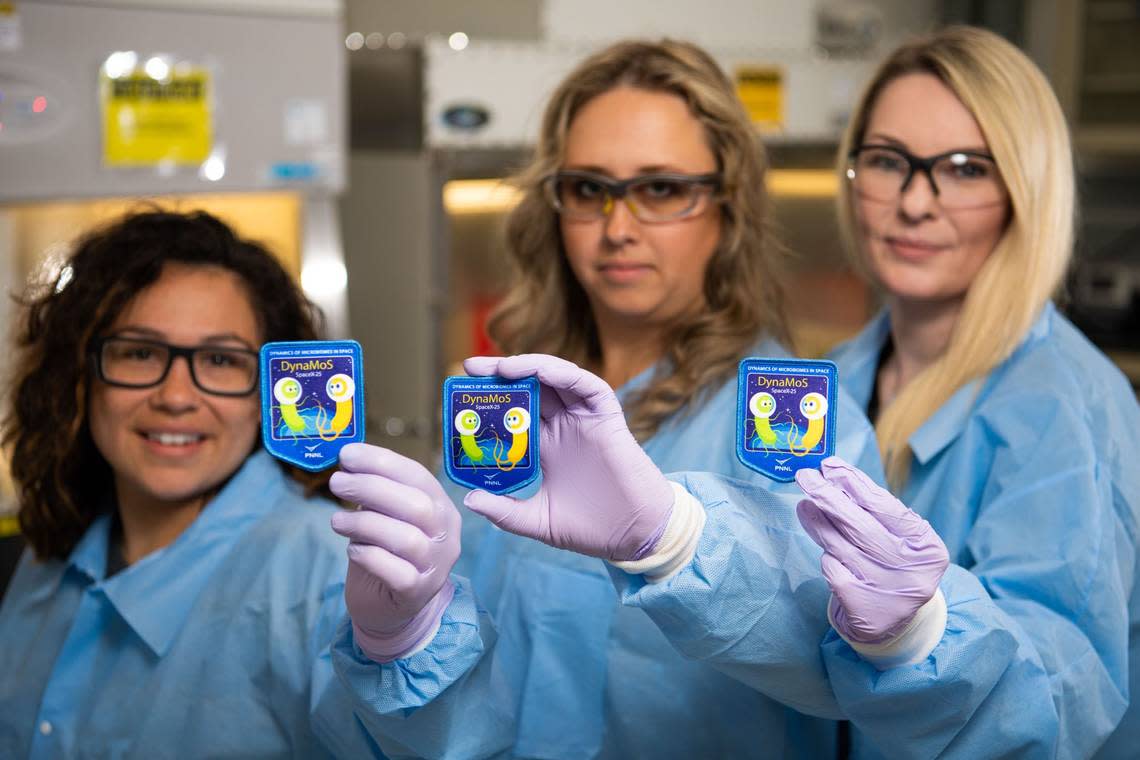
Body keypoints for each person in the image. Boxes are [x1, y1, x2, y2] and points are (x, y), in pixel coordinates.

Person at [326, 39, 883, 758]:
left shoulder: (793, 420)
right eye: (589, 189)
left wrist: (677, 546)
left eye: (660, 189)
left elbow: (844, 670)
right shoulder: (505, 405)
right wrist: (397, 636)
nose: (618, 229)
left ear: (727, 207)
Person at [797, 24, 1140, 758]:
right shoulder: (836, 376)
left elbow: (1056, 699)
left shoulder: (1065, 409)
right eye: (889, 162)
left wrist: (920, 634)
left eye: (964, 169)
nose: (916, 204)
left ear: (1025, 190)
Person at [0, 210, 388, 757]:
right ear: (80, 377)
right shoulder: (49, 556)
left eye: (220, 360)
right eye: (139, 352)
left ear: (271, 396)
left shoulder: (329, 573)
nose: (177, 397)